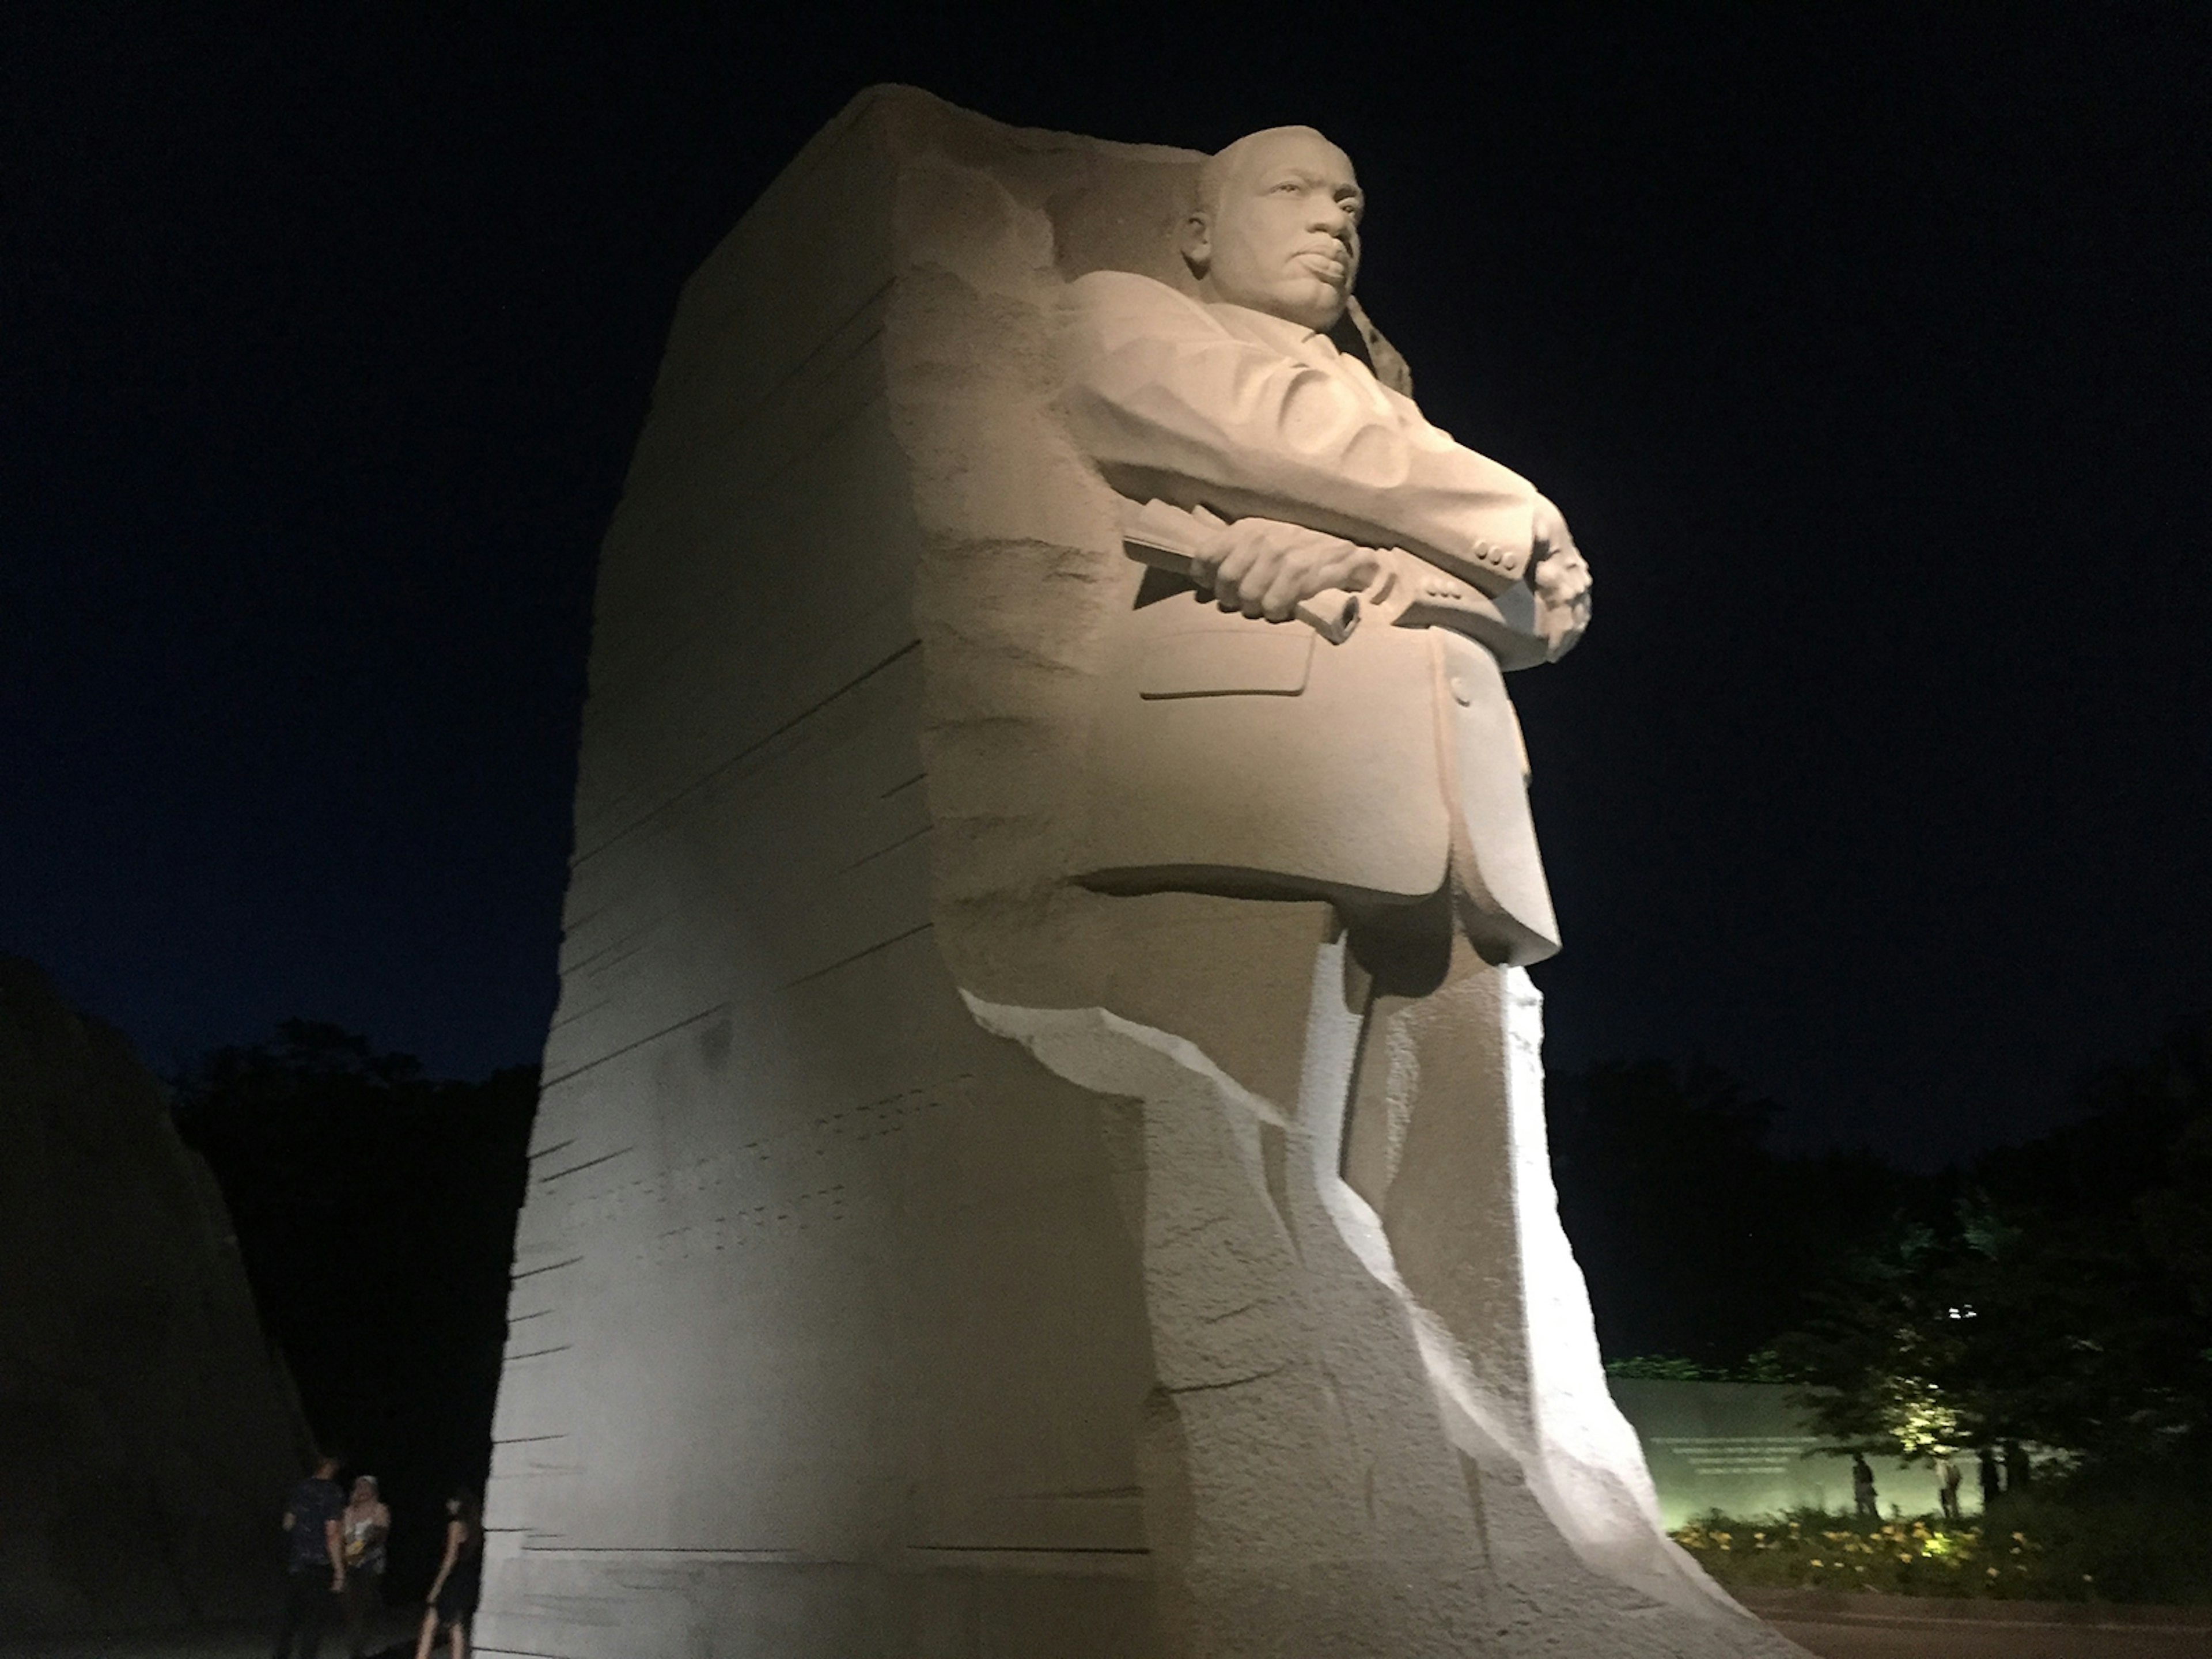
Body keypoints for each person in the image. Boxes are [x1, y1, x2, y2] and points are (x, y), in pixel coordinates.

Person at [271, 1453, 346, 1659]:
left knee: (291, 1617)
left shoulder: (300, 1488)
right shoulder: (333, 1492)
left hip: (297, 1563)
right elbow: (332, 1532)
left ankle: (281, 1655)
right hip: (320, 1564)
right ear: (332, 1467)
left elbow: (287, 1523)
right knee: (314, 1620)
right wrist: (339, 1570)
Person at [417, 1489, 482, 1659]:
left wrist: (436, 1587)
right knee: (453, 1623)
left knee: (439, 1622)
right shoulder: (474, 1527)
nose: (448, 1505)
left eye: (451, 1502)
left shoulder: (455, 1524)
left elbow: (450, 1557)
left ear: (459, 1504)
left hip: (452, 1579)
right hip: (466, 1577)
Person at [338, 1475, 391, 1658]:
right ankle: (355, 1646)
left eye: (365, 1487)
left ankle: (357, 1650)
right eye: (358, 1487)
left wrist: (356, 1550)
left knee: (363, 1607)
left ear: (373, 1491)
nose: (361, 1490)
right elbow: (341, 1537)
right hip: (350, 1564)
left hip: (371, 1564)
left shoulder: (380, 1509)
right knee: (350, 1609)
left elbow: (378, 1536)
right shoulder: (348, 1512)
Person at [1851, 1452, 1878, 1519]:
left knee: (1868, 1505)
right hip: (1863, 1487)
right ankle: (1864, 1519)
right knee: (1865, 1505)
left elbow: (1869, 1479)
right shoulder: (1861, 1468)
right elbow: (1871, 1479)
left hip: (1864, 1487)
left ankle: (1868, 1520)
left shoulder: (1862, 1468)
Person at [1937, 1452, 1963, 1521]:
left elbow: (1943, 1476)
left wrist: (1947, 1484)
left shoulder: (1943, 1465)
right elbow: (1959, 1476)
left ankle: (1950, 1518)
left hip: (1946, 1486)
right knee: (1952, 1502)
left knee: (1947, 1503)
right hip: (1950, 1486)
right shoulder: (1952, 1465)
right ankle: (1954, 1517)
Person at [1979, 1446, 2003, 1511]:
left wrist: (1983, 1481)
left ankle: (1990, 1509)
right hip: (1992, 1483)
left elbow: (1987, 1474)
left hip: (1990, 1483)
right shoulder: (1990, 1463)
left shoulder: (1987, 1464)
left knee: (1990, 1497)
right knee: (1993, 1497)